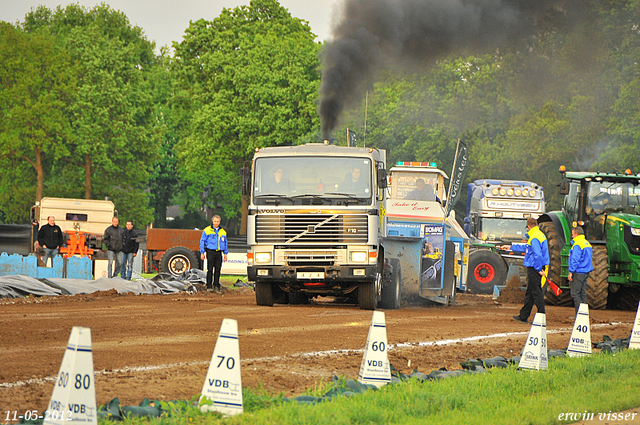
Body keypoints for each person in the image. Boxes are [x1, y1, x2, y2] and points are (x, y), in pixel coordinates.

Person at [500, 217, 550, 324]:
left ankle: (541, 316)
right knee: (531, 293)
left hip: (534, 267)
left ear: (528, 226)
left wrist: (538, 268)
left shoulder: (534, 237)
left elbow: (537, 255)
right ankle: (524, 316)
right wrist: (510, 247)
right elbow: (528, 248)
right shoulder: (539, 235)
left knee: (536, 292)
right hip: (536, 266)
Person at [568, 226, 593, 316]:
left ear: (576, 234)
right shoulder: (587, 243)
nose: (572, 236)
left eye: (573, 234)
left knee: (575, 294)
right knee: (582, 293)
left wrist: (571, 271)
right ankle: (584, 314)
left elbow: (575, 259)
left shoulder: (577, 244)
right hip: (586, 272)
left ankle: (579, 315)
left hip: (578, 272)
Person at [200, 215, 228, 293]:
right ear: (212, 221)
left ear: (219, 222)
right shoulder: (207, 230)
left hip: (219, 252)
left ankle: (216, 286)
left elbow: (225, 243)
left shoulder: (223, 231)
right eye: (215, 221)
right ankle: (209, 286)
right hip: (210, 251)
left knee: (218, 270)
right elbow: (202, 241)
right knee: (210, 269)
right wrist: (202, 252)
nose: (216, 223)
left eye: (218, 221)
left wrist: (225, 253)